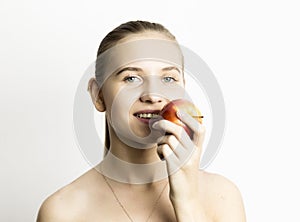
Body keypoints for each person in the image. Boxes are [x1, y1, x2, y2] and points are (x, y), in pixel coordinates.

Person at [37, 20, 246, 222]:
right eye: (131, 78)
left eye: (168, 79)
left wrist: (187, 202)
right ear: (98, 95)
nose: (153, 95)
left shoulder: (223, 197)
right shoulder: (62, 212)